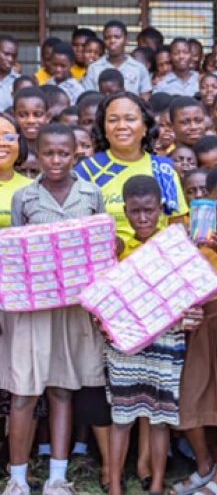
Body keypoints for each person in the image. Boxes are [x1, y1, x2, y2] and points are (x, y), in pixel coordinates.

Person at [0, 123, 107, 495]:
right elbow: (14, 258)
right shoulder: (25, 199)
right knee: (24, 392)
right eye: (49, 153)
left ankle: (58, 478)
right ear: (36, 153)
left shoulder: (91, 194)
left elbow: (100, 252)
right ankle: (16, 478)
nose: (57, 160)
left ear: (76, 152)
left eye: (65, 153)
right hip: (32, 310)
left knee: (62, 388)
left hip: (73, 310)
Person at [106, 175, 204, 495]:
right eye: (135, 212)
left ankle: (157, 484)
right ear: (125, 211)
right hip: (126, 343)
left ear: (161, 209)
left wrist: (193, 313)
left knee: (160, 418)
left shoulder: (175, 247)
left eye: (149, 211)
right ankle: (116, 486)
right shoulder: (117, 248)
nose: (143, 218)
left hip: (166, 340)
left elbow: (191, 295)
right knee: (122, 416)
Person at [173, 166, 217, 495]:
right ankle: (204, 465)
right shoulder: (182, 227)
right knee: (189, 394)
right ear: (206, 197)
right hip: (195, 319)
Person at [75, 91, 187, 242]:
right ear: (104, 128)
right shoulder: (87, 171)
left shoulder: (164, 170)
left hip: (157, 261)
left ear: (145, 127)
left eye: (130, 119)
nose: (121, 126)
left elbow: (177, 229)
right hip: (107, 262)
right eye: (113, 120)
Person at [82, 20, 152, 99]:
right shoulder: (94, 69)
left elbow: (145, 99)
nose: (112, 41)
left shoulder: (139, 68)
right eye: (107, 38)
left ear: (126, 40)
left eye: (117, 37)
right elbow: (89, 99)